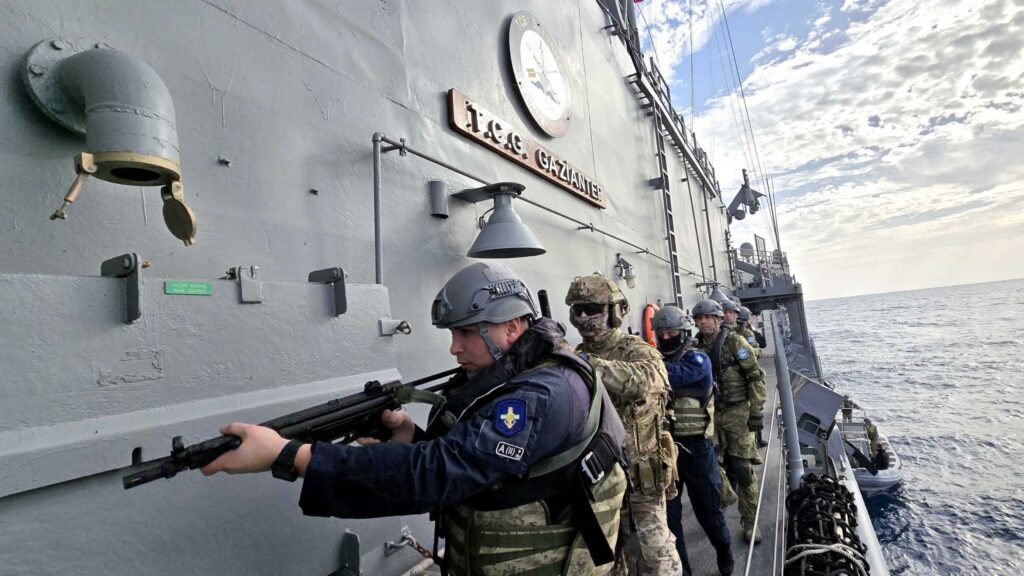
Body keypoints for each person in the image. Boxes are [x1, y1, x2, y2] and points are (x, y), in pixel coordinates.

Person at [202, 262, 629, 575]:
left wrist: (292, 456)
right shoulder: (518, 371)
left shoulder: (543, 393)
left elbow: (441, 472)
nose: (454, 348)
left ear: (513, 327)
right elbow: (483, 462)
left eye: (466, 332)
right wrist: (411, 437)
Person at [566, 273, 683, 576]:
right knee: (609, 560)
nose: (584, 317)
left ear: (615, 311)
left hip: (641, 477)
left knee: (659, 557)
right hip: (597, 480)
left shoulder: (635, 349)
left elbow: (650, 381)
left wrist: (586, 365)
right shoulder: (573, 356)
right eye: (578, 309)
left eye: (592, 309)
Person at [651, 305, 734, 576]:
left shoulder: (697, 359)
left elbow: (674, 375)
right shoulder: (653, 361)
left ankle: (724, 549)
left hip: (697, 449)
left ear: (684, 332)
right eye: (661, 334)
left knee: (709, 512)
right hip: (665, 451)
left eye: (671, 333)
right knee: (670, 520)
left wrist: (645, 365)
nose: (666, 338)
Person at [692, 299, 767, 544]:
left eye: (707, 317)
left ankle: (750, 521)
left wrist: (756, 411)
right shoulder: (694, 348)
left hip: (738, 412)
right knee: (710, 466)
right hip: (710, 414)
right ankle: (725, 499)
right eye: (699, 318)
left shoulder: (736, 343)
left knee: (742, 470)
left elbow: (755, 376)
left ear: (717, 319)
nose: (703, 322)